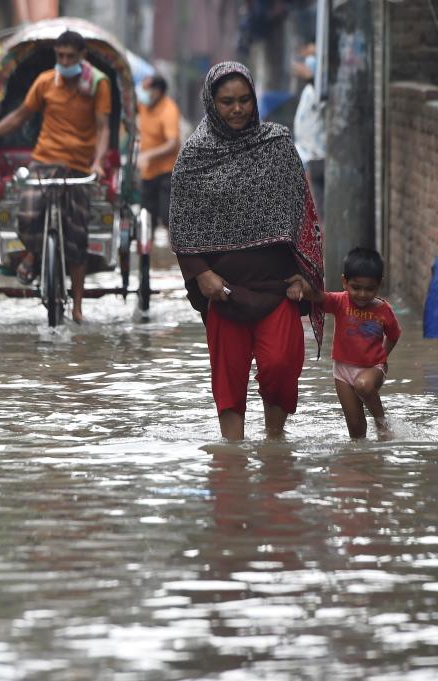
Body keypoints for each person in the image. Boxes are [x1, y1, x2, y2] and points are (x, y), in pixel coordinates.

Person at [170, 61, 324, 442]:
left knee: (281, 366)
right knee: (229, 379)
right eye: (227, 102)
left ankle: (275, 443)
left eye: (244, 100)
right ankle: (233, 456)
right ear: (212, 103)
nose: (237, 109)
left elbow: (303, 214)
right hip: (223, 289)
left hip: (278, 287)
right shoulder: (194, 157)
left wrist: (306, 274)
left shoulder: (277, 145)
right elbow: (181, 224)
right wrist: (201, 274)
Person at [0, 30, 110, 324]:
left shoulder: (98, 84)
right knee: (25, 216)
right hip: (43, 161)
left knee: (77, 237)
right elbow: (18, 117)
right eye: (60, 56)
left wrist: (99, 162)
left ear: (82, 57)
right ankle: (33, 256)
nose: (64, 61)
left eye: (70, 57)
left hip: (78, 165)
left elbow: (103, 127)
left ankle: (77, 307)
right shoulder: (45, 82)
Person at [289, 247, 401, 440]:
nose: (362, 294)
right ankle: (360, 463)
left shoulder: (384, 310)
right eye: (356, 288)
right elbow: (317, 296)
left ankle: (382, 423)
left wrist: (382, 358)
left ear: (379, 285)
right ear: (344, 282)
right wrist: (301, 285)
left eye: (370, 289)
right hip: (342, 372)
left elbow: (393, 335)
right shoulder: (340, 302)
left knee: (363, 385)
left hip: (373, 368)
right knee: (356, 430)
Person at [136, 74, 180, 229]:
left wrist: (148, 155)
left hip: (165, 173)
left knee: (167, 218)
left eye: (147, 89)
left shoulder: (169, 110)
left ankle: (175, 251)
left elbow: (172, 144)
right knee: (146, 219)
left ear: (158, 91)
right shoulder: (143, 106)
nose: (143, 92)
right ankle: (146, 252)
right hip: (147, 173)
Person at [291, 43, 326, 224]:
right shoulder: (308, 90)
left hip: (316, 156)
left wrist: (312, 53)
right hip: (305, 156)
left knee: (317, 214)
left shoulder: (320, 91)